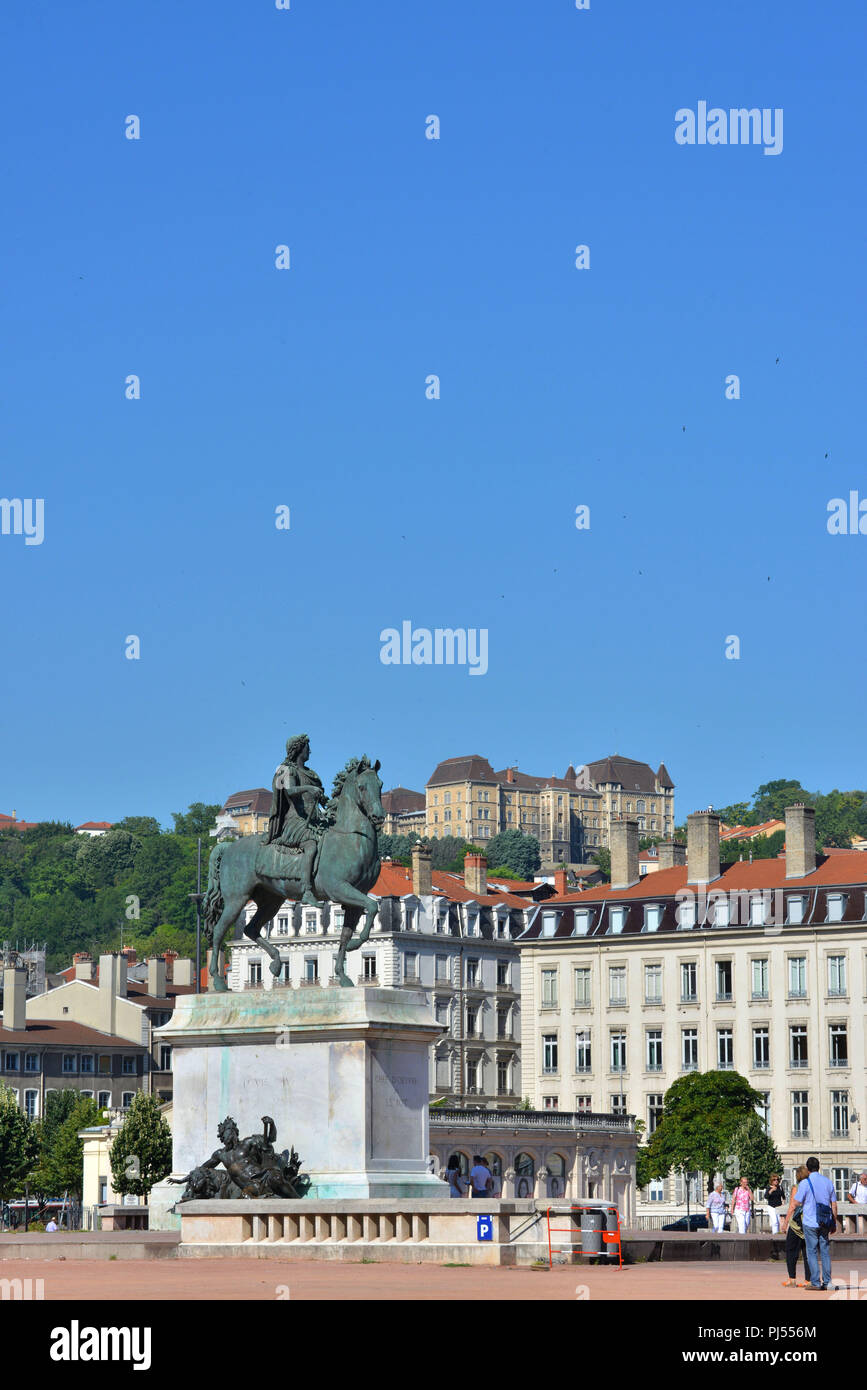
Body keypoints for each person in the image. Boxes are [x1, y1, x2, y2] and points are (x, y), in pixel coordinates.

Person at [263, 733, 329, 906]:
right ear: (299, 748)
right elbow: (290, 791)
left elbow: (321, 798)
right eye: (308, 747)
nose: (310, 751)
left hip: (315, 820)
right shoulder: (285, 770)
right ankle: (307, 890)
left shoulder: (311, 773)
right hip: (294, 821)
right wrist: (309, 789)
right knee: (311, 844)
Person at [787, 1156, 837, 1291]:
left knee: (812, 1252)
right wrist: (834, 1223)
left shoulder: (805, 1183)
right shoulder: (828, 1182)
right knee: (825, 1251)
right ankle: (828, 1282)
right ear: (818, 1167)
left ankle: (815, 1282)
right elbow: (834, 1204)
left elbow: (796, 1202)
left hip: (810, 1221)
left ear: (808, 1169)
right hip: (825, 1222)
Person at [782, 1165, 810, 1287]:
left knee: (791, 1251)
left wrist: (785, 1222)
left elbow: (793, 1206)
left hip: (796, 1225)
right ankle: (808, 1280)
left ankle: (792, 1279)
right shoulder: (811, 1186)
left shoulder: (797, 1187)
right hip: (808, 1223)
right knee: (808, 1254)